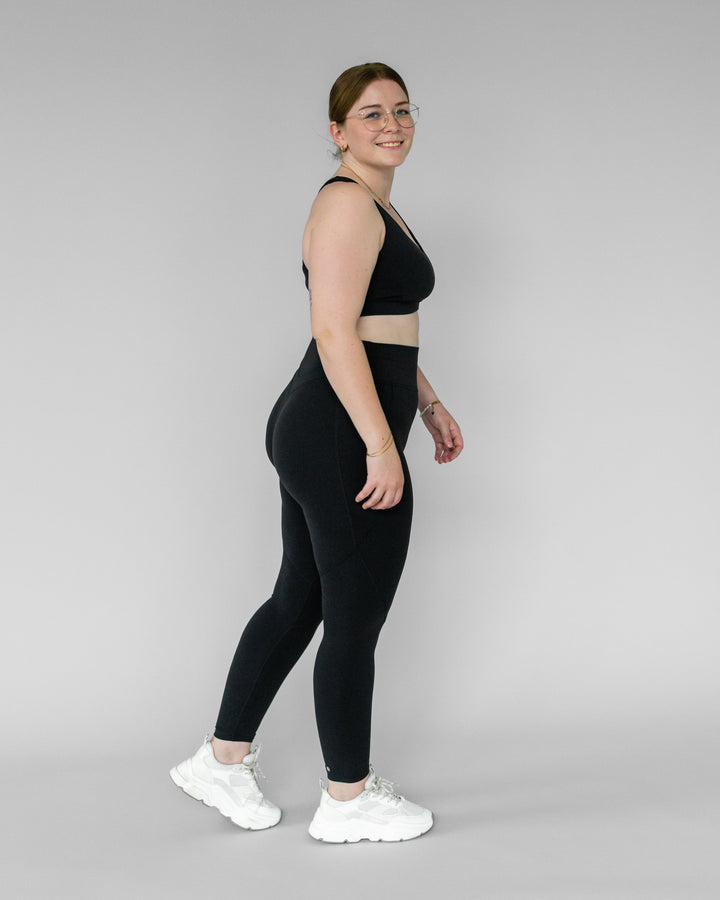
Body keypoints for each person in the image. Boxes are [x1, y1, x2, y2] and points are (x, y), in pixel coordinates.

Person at [170, 62, 464, 844]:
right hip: (336, 429)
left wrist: (427, 404)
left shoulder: (374, 202)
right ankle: (347, 797)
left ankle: (221, 760)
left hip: (329, 425)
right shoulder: (346, 205)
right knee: (354, 615)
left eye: (402, 110)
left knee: (301, 599)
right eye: (371, 114)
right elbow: (333, 332)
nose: (392, 124)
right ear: (338, 131)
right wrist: (380, 444)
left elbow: (380, 326)